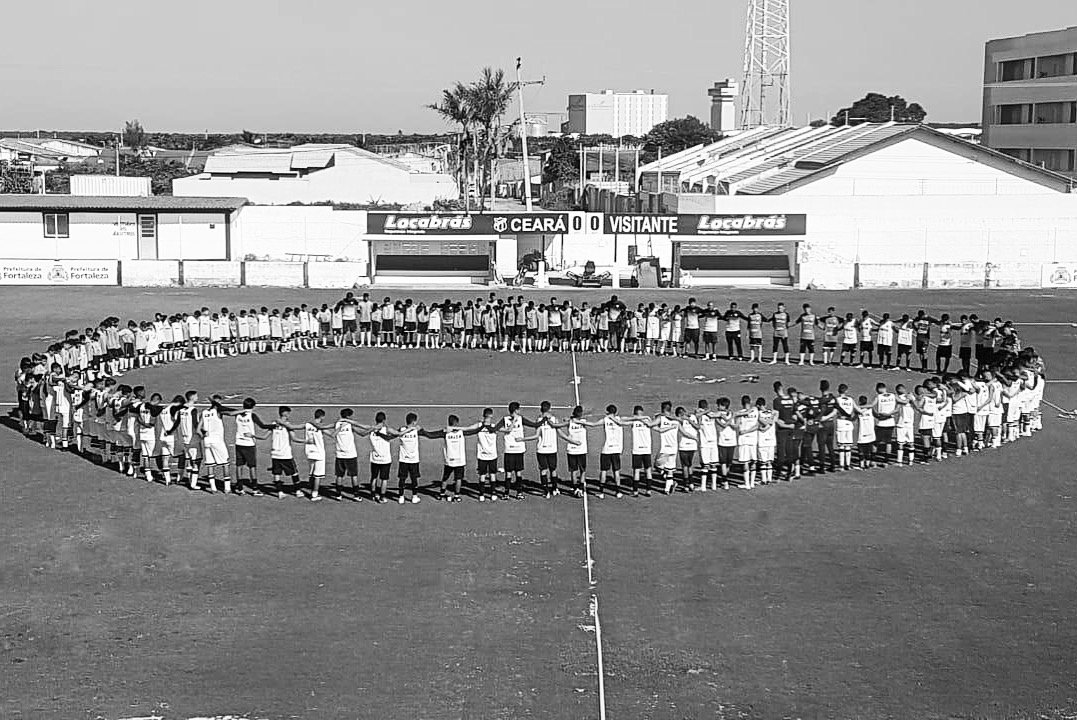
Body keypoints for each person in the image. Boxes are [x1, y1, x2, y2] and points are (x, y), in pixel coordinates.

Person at [422, 414, 485, 502]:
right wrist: (483, 426)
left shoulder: (445, 432)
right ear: (457, 423)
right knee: (458, 478)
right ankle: (457, 496)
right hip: (460, 461)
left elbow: (431, 435)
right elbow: (474, 431)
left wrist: (421, 431)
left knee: (445, 478)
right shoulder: (461, 432)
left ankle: (442, 494)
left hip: (449, 460)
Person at [270, 406, 303, 498]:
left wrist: (253, 436)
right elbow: (294, 438)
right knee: (294, 472)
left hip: (275, 453)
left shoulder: (274, 423)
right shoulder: (288, 425)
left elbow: (265, 436)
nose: (289, 415)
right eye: (288, 413)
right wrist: (306, 441)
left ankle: (280, 492)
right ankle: (298, 491)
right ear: (284, 413)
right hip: (285, 454)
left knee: (277, 473)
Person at [734, 395, 759, 489]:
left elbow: (736, 425)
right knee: (753, 461)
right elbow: (757, 426)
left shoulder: (740, 413)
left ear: (741, 403)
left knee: (745, 462)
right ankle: (752, 483)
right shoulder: (755, 411)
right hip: (753, 439)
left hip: (743, 439)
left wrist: (745, 431)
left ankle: (747, 484)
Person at [834, 384, 857, 472]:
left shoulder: (837, 400)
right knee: (848, 445)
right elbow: (857, 409)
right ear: (846, 391)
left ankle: (841, 465)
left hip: (841, 423)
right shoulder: (851, 399)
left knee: (841, 445)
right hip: (849, 423)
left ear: (838, 390)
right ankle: (847, 464)